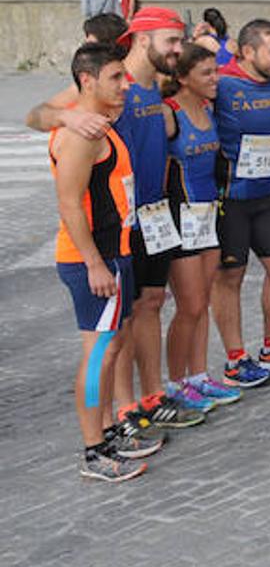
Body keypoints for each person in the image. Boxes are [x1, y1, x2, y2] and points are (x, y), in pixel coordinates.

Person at [29, 7, 201, 434]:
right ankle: (121, 413)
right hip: (114, 229)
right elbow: (36, 116)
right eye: (172, 41)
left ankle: (150, 396)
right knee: (114, 329)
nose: (178, 50)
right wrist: (67, 116)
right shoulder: (104, 85)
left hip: (153, 215)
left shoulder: (156, 84)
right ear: (143, 39)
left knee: (150, 307)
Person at [52, 44, 158, 481]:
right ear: (88, 81)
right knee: (98, 354)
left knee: (112, 347)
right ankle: (93, 450)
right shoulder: (81, 134)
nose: (125, 85)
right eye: (116, 77)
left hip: (117, 252)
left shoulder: (101, 125)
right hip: (94, 257)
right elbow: (70, 204)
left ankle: (108, 432)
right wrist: (95, 263)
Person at [212, 19, 270, 386]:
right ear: (248, 52)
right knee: (230, 278)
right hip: (230, 198)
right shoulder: (220, 83)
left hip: (266, 193)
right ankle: (236, 359)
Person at [162, 46, 245, 411]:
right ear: (183, 78)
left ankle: (199, 376)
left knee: (204, 298)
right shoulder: (170, 113)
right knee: (190, 305)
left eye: (216, 71)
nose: (216, 79)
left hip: (209, 214)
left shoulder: (209, 109)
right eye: (207, 74)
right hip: (181, 218)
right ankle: (175, 382)